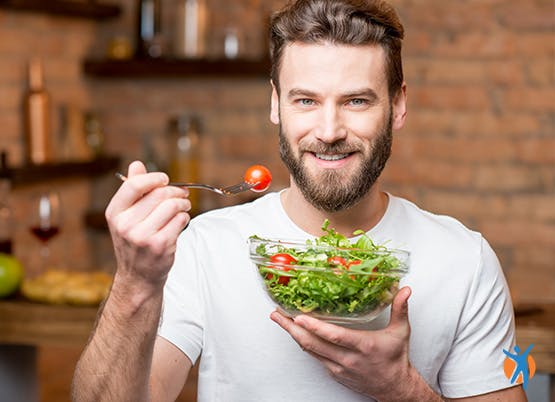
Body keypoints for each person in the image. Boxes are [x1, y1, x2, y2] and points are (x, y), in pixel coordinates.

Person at [72, 0, 527, 401]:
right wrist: (134, 283)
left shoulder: (465, 259)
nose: (329, 131)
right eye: (306, 100)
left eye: (356, 101)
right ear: (276, 105)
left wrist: (401, 390)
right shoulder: (204, 248)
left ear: (398, 105)